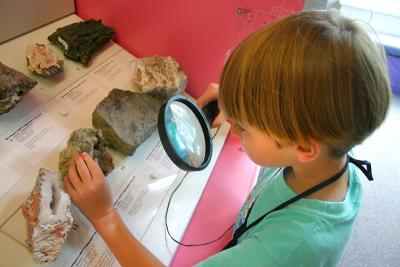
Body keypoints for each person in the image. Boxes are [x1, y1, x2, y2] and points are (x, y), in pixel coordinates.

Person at [64, 10, 391, 267]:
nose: (235, 126)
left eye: (245, 126)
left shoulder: (283, 252)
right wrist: (240, 101)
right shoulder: (331, 158)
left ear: (304, 147)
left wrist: (106, 218)